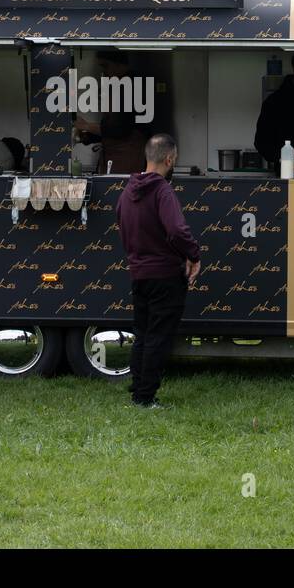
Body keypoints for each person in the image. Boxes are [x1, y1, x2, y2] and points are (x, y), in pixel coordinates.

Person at [116, 133, 201, 409]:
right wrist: (193, 255)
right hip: (165, 275)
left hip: (139, 273)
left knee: (142, 334)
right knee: (158, 337)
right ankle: (145, 397)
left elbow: (122, 223)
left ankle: (138, 388)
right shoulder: (163, 190)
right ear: (170, 158)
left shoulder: (128, 191)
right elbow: (177, 229)